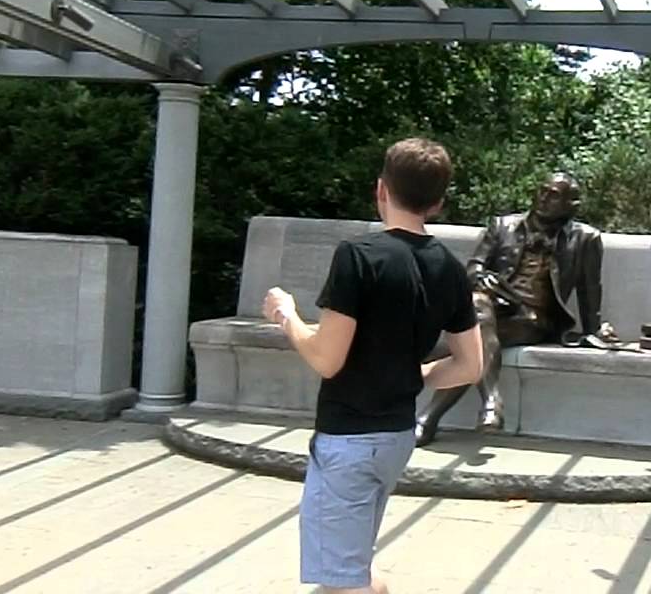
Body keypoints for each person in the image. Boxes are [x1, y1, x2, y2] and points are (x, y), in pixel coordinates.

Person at [262, 138, 483, 594]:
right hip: (395, 438)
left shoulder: (358, 257)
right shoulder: (450, 269)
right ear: (438, 202)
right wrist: (416, 375)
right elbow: (470, 365)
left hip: (349, 441)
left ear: (381, 189)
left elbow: (326, 358)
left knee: (343, 583)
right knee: (353, 573)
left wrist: (287, 316)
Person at [415, 171, 616, 447]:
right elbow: (473, 268)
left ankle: (429, 419)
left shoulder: (585, 239)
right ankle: (488, 402)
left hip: (536, 320)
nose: (543, 198)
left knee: (470, 338)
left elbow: (589, 289)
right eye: (542, 191)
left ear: (572, 205)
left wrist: (594, 330)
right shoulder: (503, 225)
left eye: (554, 195)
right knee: (477, 314)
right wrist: (481, 277)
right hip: (492, 309)